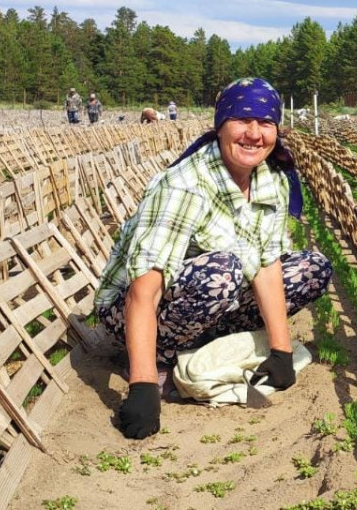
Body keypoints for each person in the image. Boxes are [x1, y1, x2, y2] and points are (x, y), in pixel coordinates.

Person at [93, 77, 333, 439]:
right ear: (220, 126)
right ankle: (159, 363)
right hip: (133, 310)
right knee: (222, 272)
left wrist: (282, 353)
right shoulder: (185, 184)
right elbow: (145, 288)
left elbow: (267, 263)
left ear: (276, 130)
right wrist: (141, 386)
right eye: (242, 120)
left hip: (208, 299)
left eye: (265, 123)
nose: (254, 133)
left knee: (311, 270)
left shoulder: (272, 180)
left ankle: (203, 347)